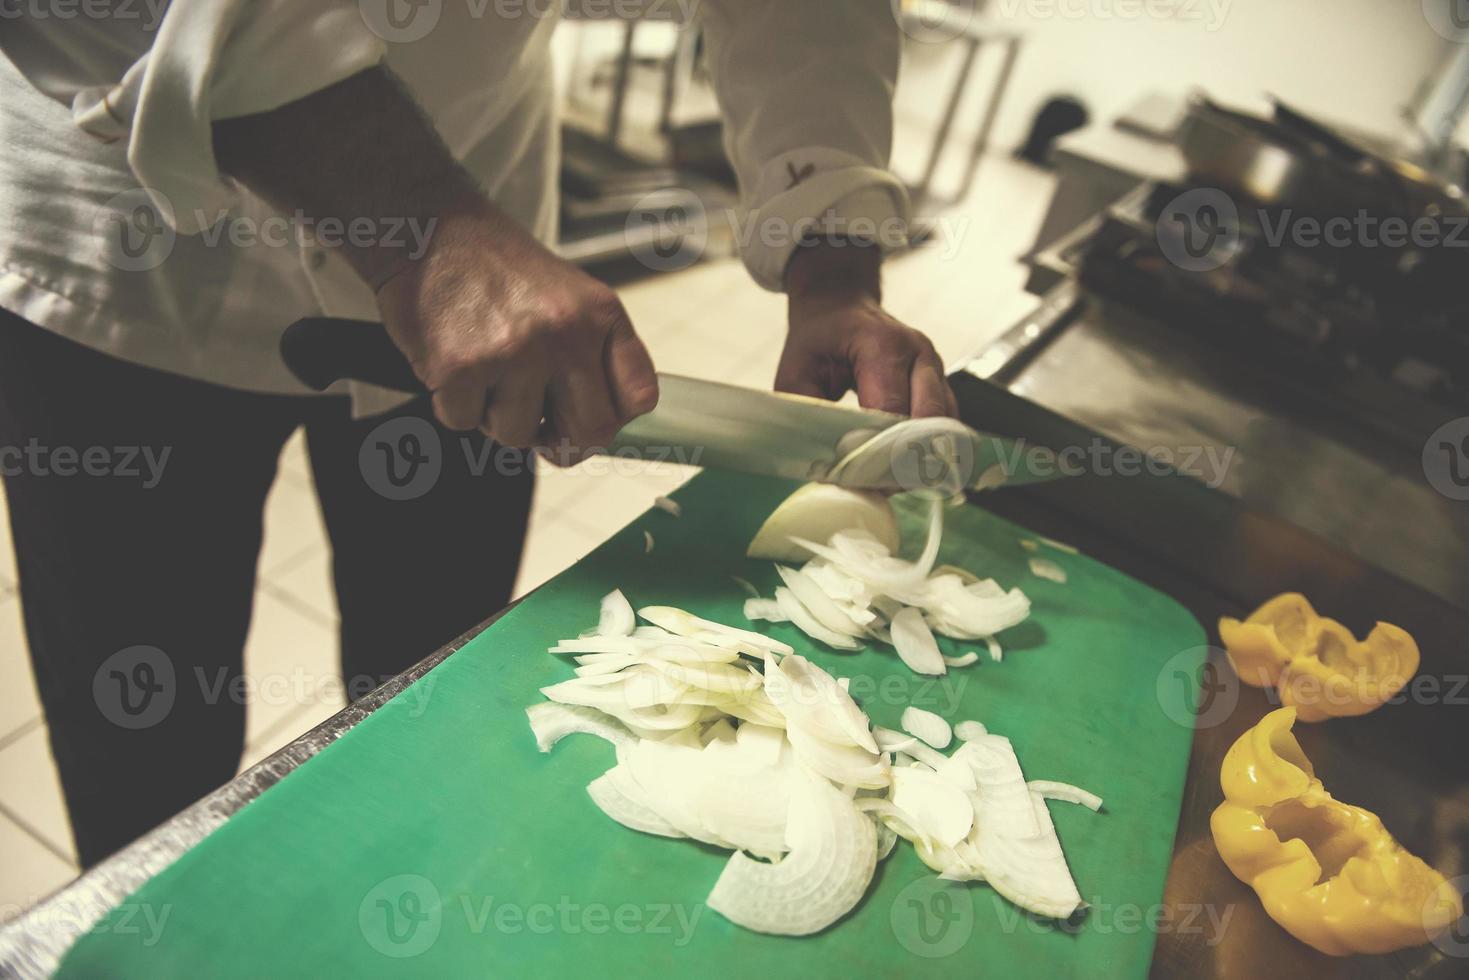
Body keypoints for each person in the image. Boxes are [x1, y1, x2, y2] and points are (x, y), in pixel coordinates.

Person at [0, 1, 958, 867]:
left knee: (437, 690)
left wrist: (831, 263)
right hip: (124, 253)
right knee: (142, 736)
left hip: (495, 283)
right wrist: (419, 229)